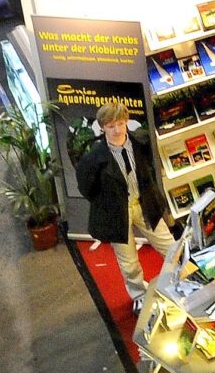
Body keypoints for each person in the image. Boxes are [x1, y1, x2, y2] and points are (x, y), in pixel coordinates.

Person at [74, 103, 177, 305]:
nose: (117, 130)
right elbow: (87, 188)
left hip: (144, 204)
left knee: (170, 247)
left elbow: (150, 171)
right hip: (117, 212)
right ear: (103, 127)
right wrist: (108, 202)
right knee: (129, 262)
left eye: (120, 123)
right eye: (111, 126)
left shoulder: (140, 143)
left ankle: (181, 282)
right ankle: (139, 295)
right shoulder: (93, 158)